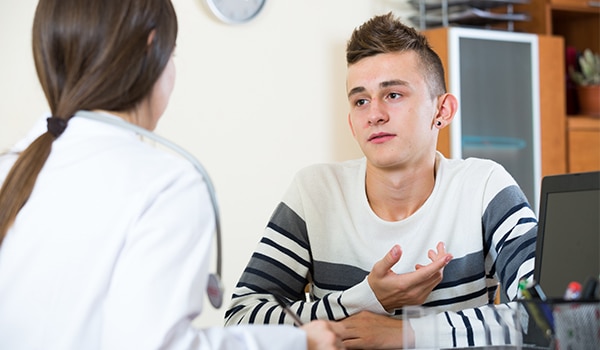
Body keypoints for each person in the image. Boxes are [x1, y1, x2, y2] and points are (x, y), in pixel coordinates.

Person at [0, 1, 344, 349]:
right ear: (152, 50)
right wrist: (298, 343)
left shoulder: (11, 165)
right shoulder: (166, 183)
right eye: (172, 53)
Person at [224, 13, 537, 349]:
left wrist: (409, 335)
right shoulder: (315, 192)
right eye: (361, 101)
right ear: (351, 122)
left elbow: (546, 315)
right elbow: (241, 320)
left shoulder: (484, 187)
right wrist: (366, 299)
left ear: (442, 111)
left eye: (393, 95)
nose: (374, 114)